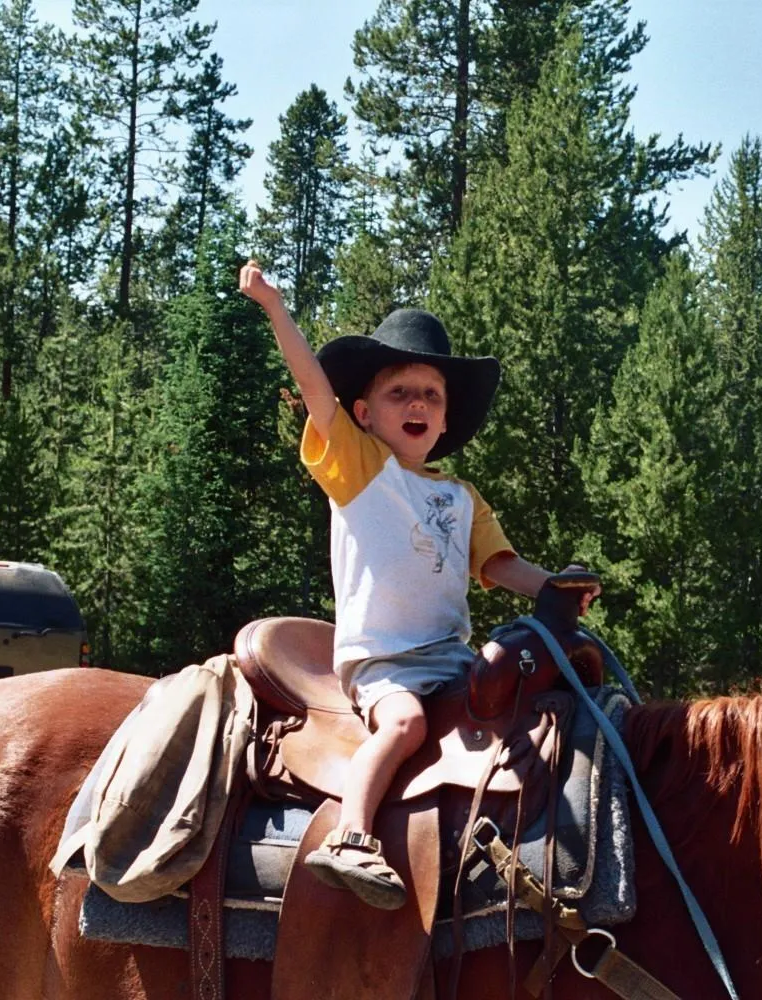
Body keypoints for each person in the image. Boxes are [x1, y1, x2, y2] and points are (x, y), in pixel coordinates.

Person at [238, 261, 597, 910]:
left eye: (431, 394)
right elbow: (313, 387)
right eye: (401, 392)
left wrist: (557, 584)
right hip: (386, 658)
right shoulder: (358, 466)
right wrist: (273, 306)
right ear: (365, 413)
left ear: (444, 417)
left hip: (449, 657)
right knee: (402, 725)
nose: (418, 404)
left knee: (517, 712)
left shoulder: (461, 498)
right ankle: (351, 836)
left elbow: (499, 568)